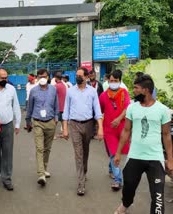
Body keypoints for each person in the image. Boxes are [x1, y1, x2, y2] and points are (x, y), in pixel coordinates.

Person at [113, 74, 173, 214]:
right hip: (135, 156)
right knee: (128, 188)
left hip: (155, 158)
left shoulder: (162, 110)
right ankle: (125, 205)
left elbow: (166, 135)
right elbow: (126, 130)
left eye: (136, 88)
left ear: (145, 90)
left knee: (158, 196)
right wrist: (118, 153)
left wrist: (170, 160)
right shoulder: (132, 108)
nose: (133, 90)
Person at [62, 67, 103, 196]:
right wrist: (65, 128)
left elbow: (97, 110)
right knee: (78, 154)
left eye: (80, 75)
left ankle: (84, 171)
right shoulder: (70, 91)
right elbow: (66, 110)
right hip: (74, 125)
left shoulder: (92, 92)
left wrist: (100, 127)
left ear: (86, 77)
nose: (78, 77)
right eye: (77, 75)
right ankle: (81, 183)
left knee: (85, 151)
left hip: (88, 124)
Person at [0, 68, 21, 191]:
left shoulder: (11, 89)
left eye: (6, 77)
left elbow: (16, 106)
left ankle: (7, 178)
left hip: (7, 125)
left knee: (7, 152)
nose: (4, 80)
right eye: (2, 78)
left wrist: (17, 124)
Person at [25, 68, 59, 187]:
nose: (42, 79)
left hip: (50, 122)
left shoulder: (53, 90)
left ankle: (44, 168)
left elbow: (56, 105)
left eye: (44, 76)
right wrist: (28, 121)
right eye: (40, 77)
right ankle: (41, 174)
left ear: (48, 77)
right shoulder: (33, 91)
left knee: (47, 148)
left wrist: (56, 117)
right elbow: (30, 107)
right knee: (40, 148)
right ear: (37, 78)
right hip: (37, 122)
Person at [99, 70, 130, 191]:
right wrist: (99, 128)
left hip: (122, 128)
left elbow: (127, 107)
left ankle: (111, 168)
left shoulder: (124, 93)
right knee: (113, 153)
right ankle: (118, 180)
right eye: (111, 81)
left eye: (115, 81)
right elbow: (99, 111)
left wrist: (119, 118)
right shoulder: (103, 96)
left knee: (118, 152)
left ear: (120, 81)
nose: (113, 83)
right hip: (109, 129)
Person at [54, 71, 67, 138]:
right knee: (62, 121)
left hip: (58, 107)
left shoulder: (56, 86)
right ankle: (64, 133)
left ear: (56, 78)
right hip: (63, 106)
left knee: (55, 121)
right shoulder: (63, 85)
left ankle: (52, 135)